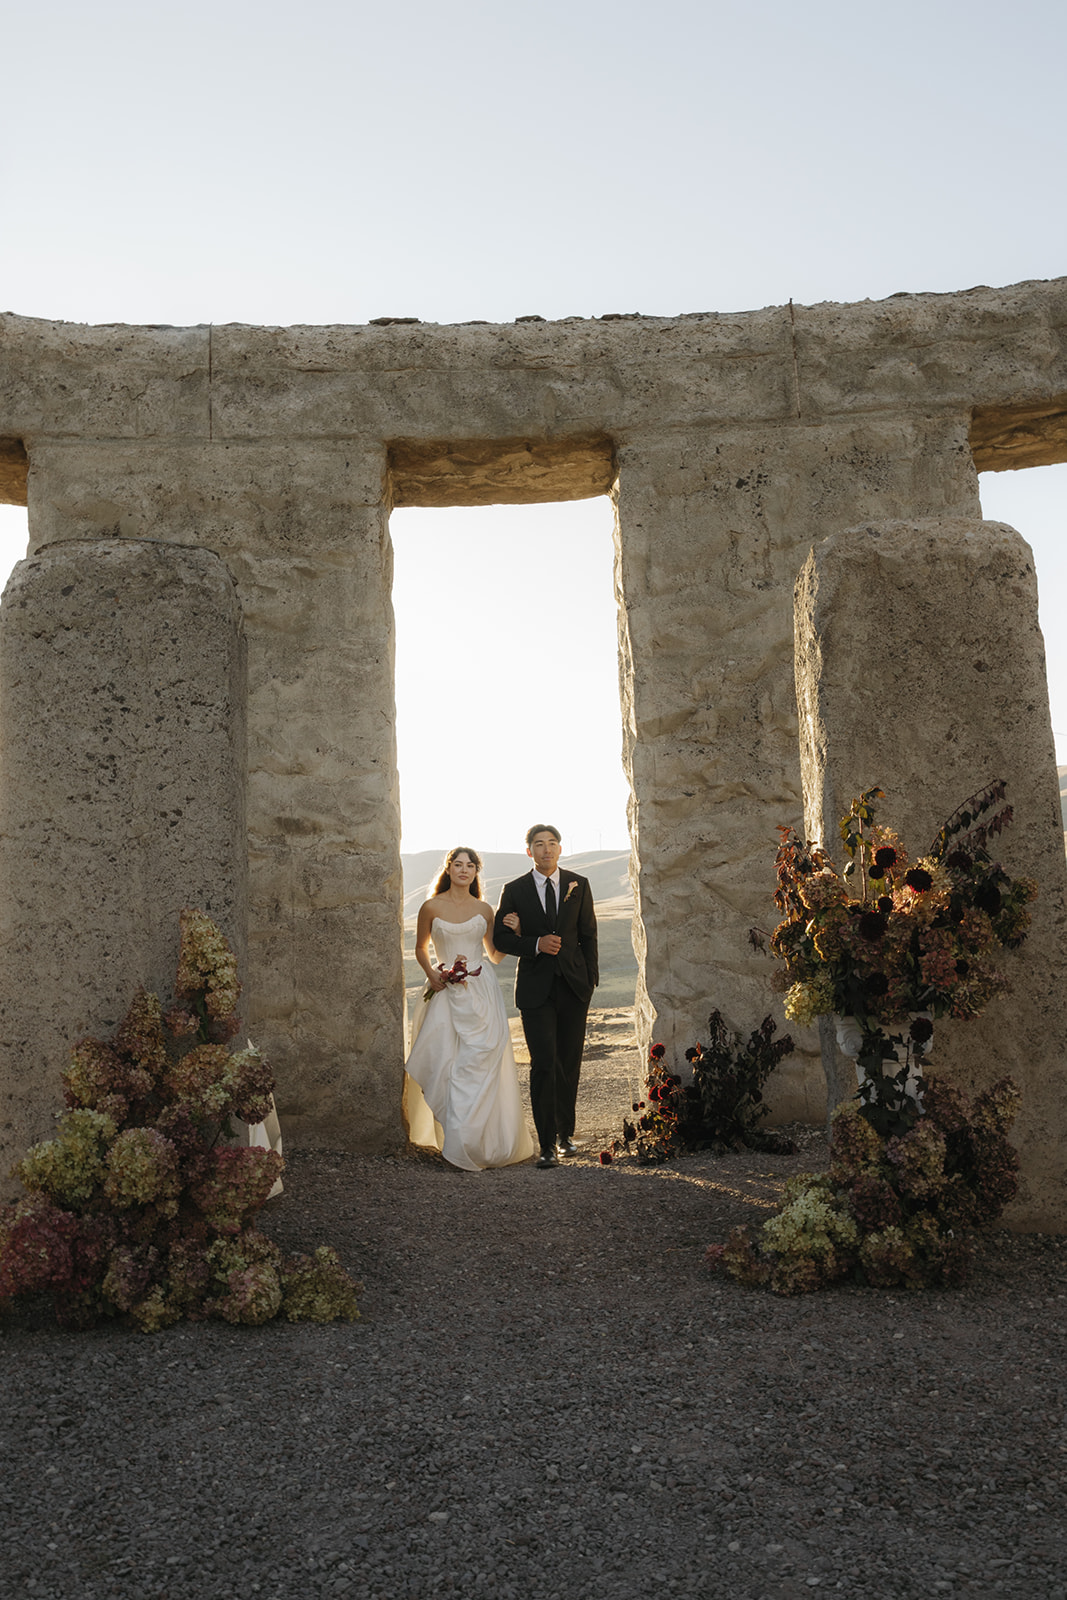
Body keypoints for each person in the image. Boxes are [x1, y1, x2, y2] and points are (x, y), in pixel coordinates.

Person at [404, 846, 535, 1171]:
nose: (464, 870)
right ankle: (456, 1141)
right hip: (444, 991)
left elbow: (495, 955)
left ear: (476, 871)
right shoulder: (431, 906)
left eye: (470, 865)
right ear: (448, 869)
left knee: (479, 1064)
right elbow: (420, 947)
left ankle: (479, 1142)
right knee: (447, 1064)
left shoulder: (484, 909)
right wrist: (432, 973)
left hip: (481, 993)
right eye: (458, 864)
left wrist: (516, 933)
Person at [493, 825, 599, 1168]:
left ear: (560, 848)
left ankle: (566, 1136)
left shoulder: (578, 884)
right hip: (535, 990)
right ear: (530, 851)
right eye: (539, 844)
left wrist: (591, 979)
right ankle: (546, 1145)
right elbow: (500, 940)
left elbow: (588, 935)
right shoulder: (514, 890)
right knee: (543, 1064)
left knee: (569, 1062)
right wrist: (535, 944)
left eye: (552, 843)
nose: (546, 849)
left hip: (574, 987)